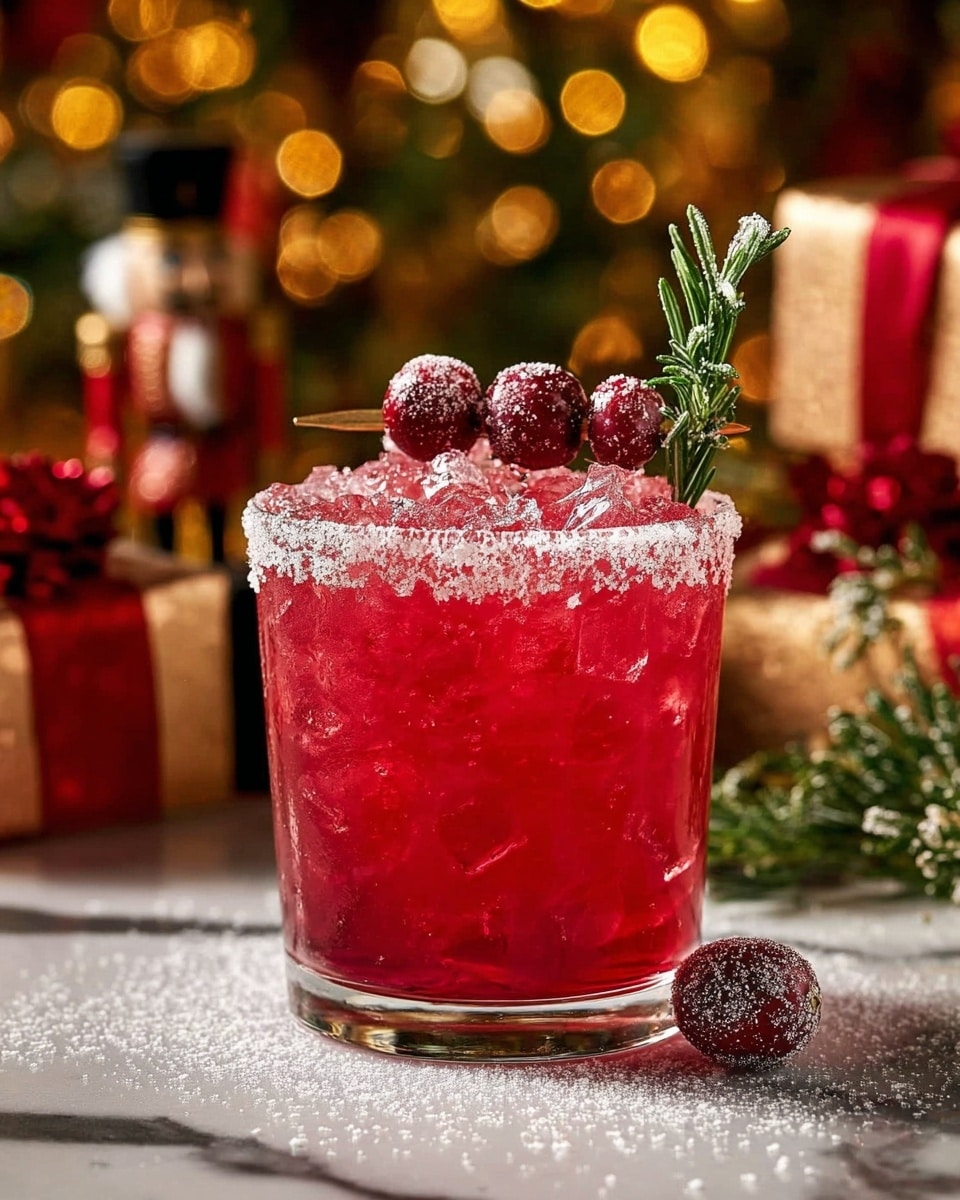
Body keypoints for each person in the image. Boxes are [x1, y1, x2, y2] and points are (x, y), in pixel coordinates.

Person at [77, 134, 284, 562]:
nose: (198, 280)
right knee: (161, 548)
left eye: (212, 256)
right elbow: (107, 414)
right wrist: (107, 464)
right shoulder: (128, 333)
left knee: (222, 546)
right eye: (173, 260)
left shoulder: (240, 331)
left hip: (223, 458)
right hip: (159, 457)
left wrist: (269, 454)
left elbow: (264, 400)